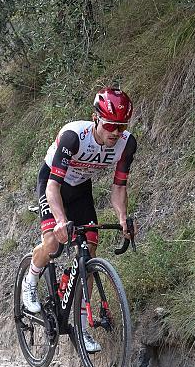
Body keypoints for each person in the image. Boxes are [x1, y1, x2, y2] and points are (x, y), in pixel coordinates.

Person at [23, 87, 137, 352]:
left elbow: (119, 186)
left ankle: (82, 327)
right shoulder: (74, 137)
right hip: (53, 183)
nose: (116, 133)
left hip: (81, 189)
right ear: (95, 118)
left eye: (122, 127)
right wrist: (61, 220)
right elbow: (52, 186)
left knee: (89, 251)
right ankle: (30, 281)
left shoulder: (127, 144)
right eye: (110, 125)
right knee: (52, 242)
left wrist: (122, 217)